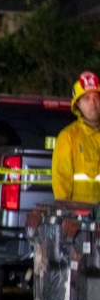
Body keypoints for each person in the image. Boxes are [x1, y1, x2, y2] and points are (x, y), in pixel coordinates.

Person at [52, 71, 100, 202]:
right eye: (86, 98)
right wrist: (67, 214)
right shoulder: (68, 137)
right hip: (79, 218)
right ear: (77, 104)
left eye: (96, 97)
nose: (93, 102)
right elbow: (61, 181)